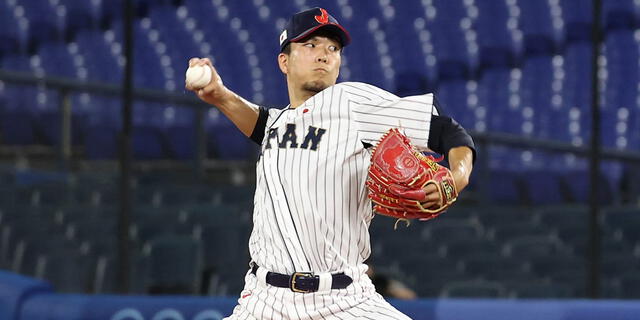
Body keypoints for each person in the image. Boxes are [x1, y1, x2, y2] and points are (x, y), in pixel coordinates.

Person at [187, 7, 475, 319]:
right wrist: (220, 96)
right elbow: (263, 124)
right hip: (263, 300)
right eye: (310, 46)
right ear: (284, 61)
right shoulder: (280, 122)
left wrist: (457, 175)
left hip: (344, 300)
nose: (323, 54)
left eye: (332, 48)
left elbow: (447, 130)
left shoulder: (352, 103)